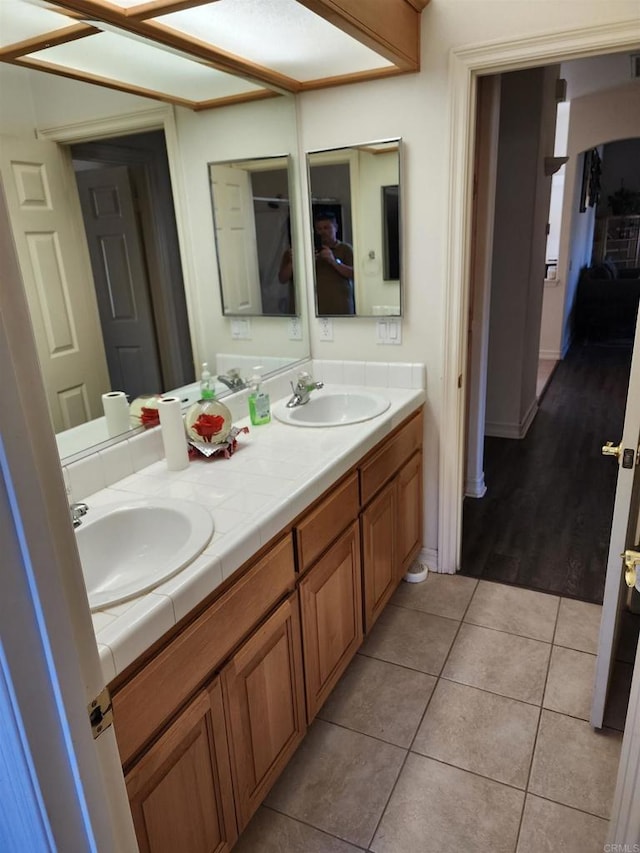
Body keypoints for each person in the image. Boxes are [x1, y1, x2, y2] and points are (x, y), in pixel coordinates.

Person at [313, 211, 355, 315]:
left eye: (326, 228)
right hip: (316, 310)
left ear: (335, 227)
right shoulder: (310, 251)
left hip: (341, 308)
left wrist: (333, 261)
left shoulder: (345, 249)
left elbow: (355, 274)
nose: (323, 232)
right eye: (319, 229)